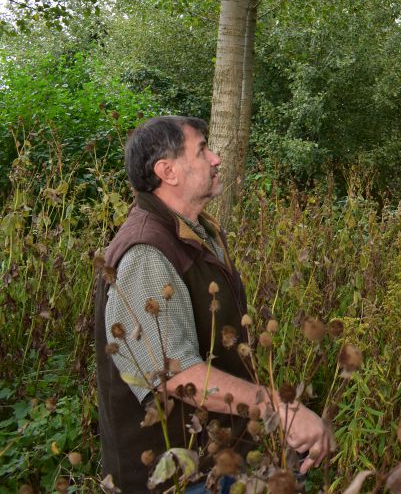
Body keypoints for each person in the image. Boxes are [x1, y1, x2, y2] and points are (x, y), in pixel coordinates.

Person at [94, 116, 336, 492]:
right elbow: (174, 374)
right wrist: (278, 408)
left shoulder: (197, 231)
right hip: (176, 477)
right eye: (203, 150)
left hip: (215, 457)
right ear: (168, 171)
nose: (216, 158)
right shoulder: (146, 253)